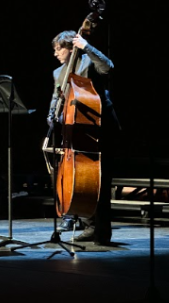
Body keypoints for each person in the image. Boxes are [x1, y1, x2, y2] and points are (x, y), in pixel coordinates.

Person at [47, 30, 121, 245]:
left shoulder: (89, 61)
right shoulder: (58, 72)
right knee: (82, 180)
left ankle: (102, 233)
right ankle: (89, 226)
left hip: (100, 127)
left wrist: (86, 46)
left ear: (71, 47)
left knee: (101, 182)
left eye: (58, 49)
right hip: (75, 131)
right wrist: (51, 115)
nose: (55, 54)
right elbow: (56, 97)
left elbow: (108, 67)